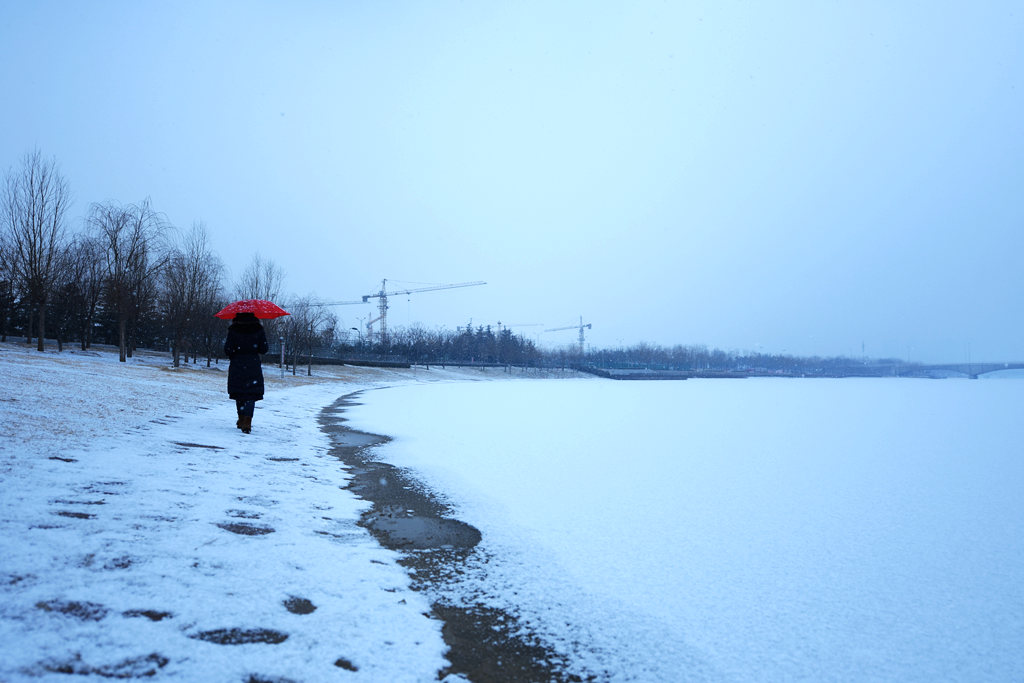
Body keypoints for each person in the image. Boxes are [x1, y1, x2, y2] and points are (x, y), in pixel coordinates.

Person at [224, 311, 269, 434]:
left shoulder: (233, 329)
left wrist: (236, 351)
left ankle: (241, 418)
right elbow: (264, 349)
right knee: (251, 393)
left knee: (239, 392)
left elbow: (227, 349)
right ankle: (247, 421)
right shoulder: (258, 329)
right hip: (253, 364)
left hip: (237, 364)